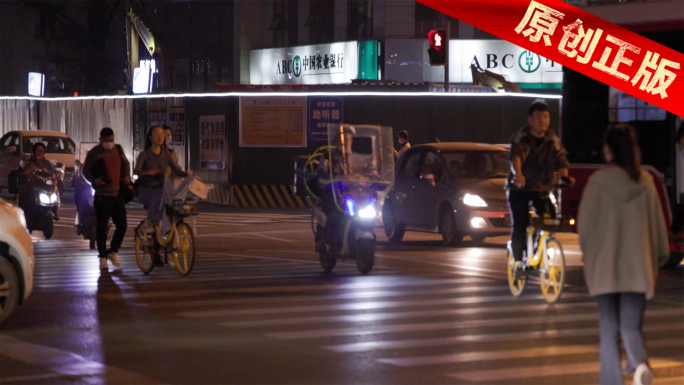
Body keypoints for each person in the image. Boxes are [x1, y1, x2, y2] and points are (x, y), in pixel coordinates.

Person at [578, 124, 669, 385]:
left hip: (605, 271)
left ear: (608, 152)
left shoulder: (597, 183)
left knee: (609, 331)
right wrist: (657, 260)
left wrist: (592, 258)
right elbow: (658, 229)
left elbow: (585, 229)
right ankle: (639, 364)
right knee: (631, 326)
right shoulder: (647, 183)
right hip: (638, 270)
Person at [506, 99, 574, 277]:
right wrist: (518, 175)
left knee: (549, 219)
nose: (543, 121)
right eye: (538, 117)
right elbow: (516, 157)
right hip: (519, 189)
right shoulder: (522, 138)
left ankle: (537, 249)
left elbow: (561, 159)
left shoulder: (553, 140)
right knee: (520, 224)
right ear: (530, 119)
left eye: (546, 117)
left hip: (542, 188)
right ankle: (519, 263)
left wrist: (565, 177)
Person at [135, 125, 192, 266]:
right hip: (146, 189)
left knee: (170, 210)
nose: (160, 137)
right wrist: (145, 173)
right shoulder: (145, 154)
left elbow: (176, 170)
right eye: (156, 134)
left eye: (162, 134)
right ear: (150, 137)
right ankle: (149, 223)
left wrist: (186, 174)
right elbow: (137, 170)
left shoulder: (166, 154)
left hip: (162, 189)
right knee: (158, 197)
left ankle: (169, 247)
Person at [82, 127, 131, 271]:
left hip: (117, 196)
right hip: (102, 196)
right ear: (100, 139)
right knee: (102, 227)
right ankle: (102, 257)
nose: (109, 143)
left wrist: (127, 176)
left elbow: (126, 164)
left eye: (112, 140)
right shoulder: (94, 153)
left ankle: (113, 251)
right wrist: (94, 181)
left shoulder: (119, 149)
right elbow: (85, 170)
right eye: (106, 140)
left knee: (122, 225)